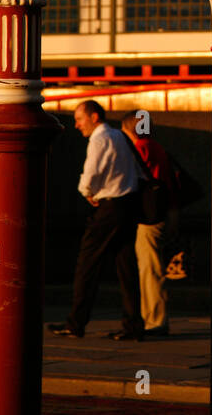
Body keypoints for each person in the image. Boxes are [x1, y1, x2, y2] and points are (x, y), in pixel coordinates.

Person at [48, 100, 144, 341]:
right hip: (127, 204)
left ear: (93, 117)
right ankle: (133, 324)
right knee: (126, 267)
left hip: (109, 207)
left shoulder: (100, 138)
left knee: (87, 264)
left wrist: (86, 191)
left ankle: (75, 323)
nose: (77, 126)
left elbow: (92, 171)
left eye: (79, 119)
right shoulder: (120, 136)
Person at [121, 113, 179, 337]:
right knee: (150, 267)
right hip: (161, 212)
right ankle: (151, 316)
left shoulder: (143, 147)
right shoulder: (156, 146)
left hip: (148, 216)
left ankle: (154, 319)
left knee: (149, 268)